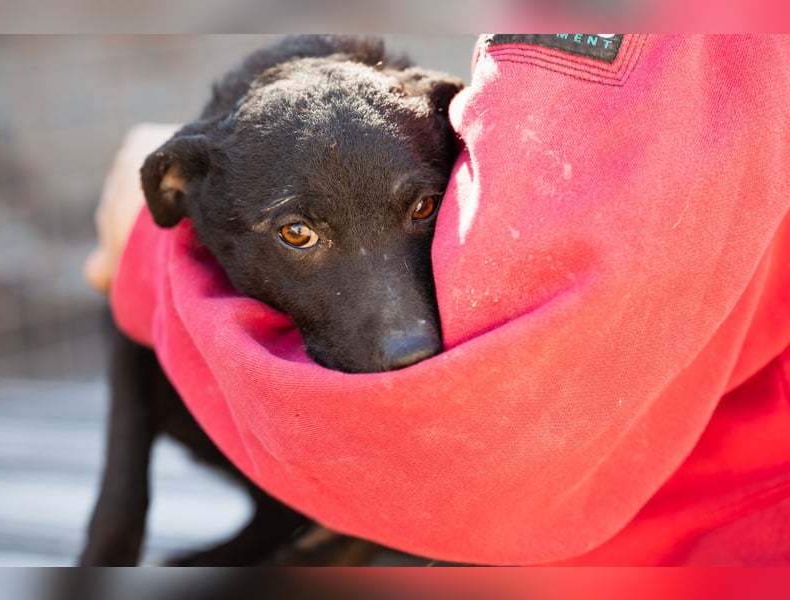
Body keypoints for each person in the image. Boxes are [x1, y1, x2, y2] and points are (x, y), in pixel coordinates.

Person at [86, 35, 790, 565]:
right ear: (180, 189)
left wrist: (142, 255)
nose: (405, 332)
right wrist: (112, 538)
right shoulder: (227, 166)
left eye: (422, 208)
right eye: (299, 232)